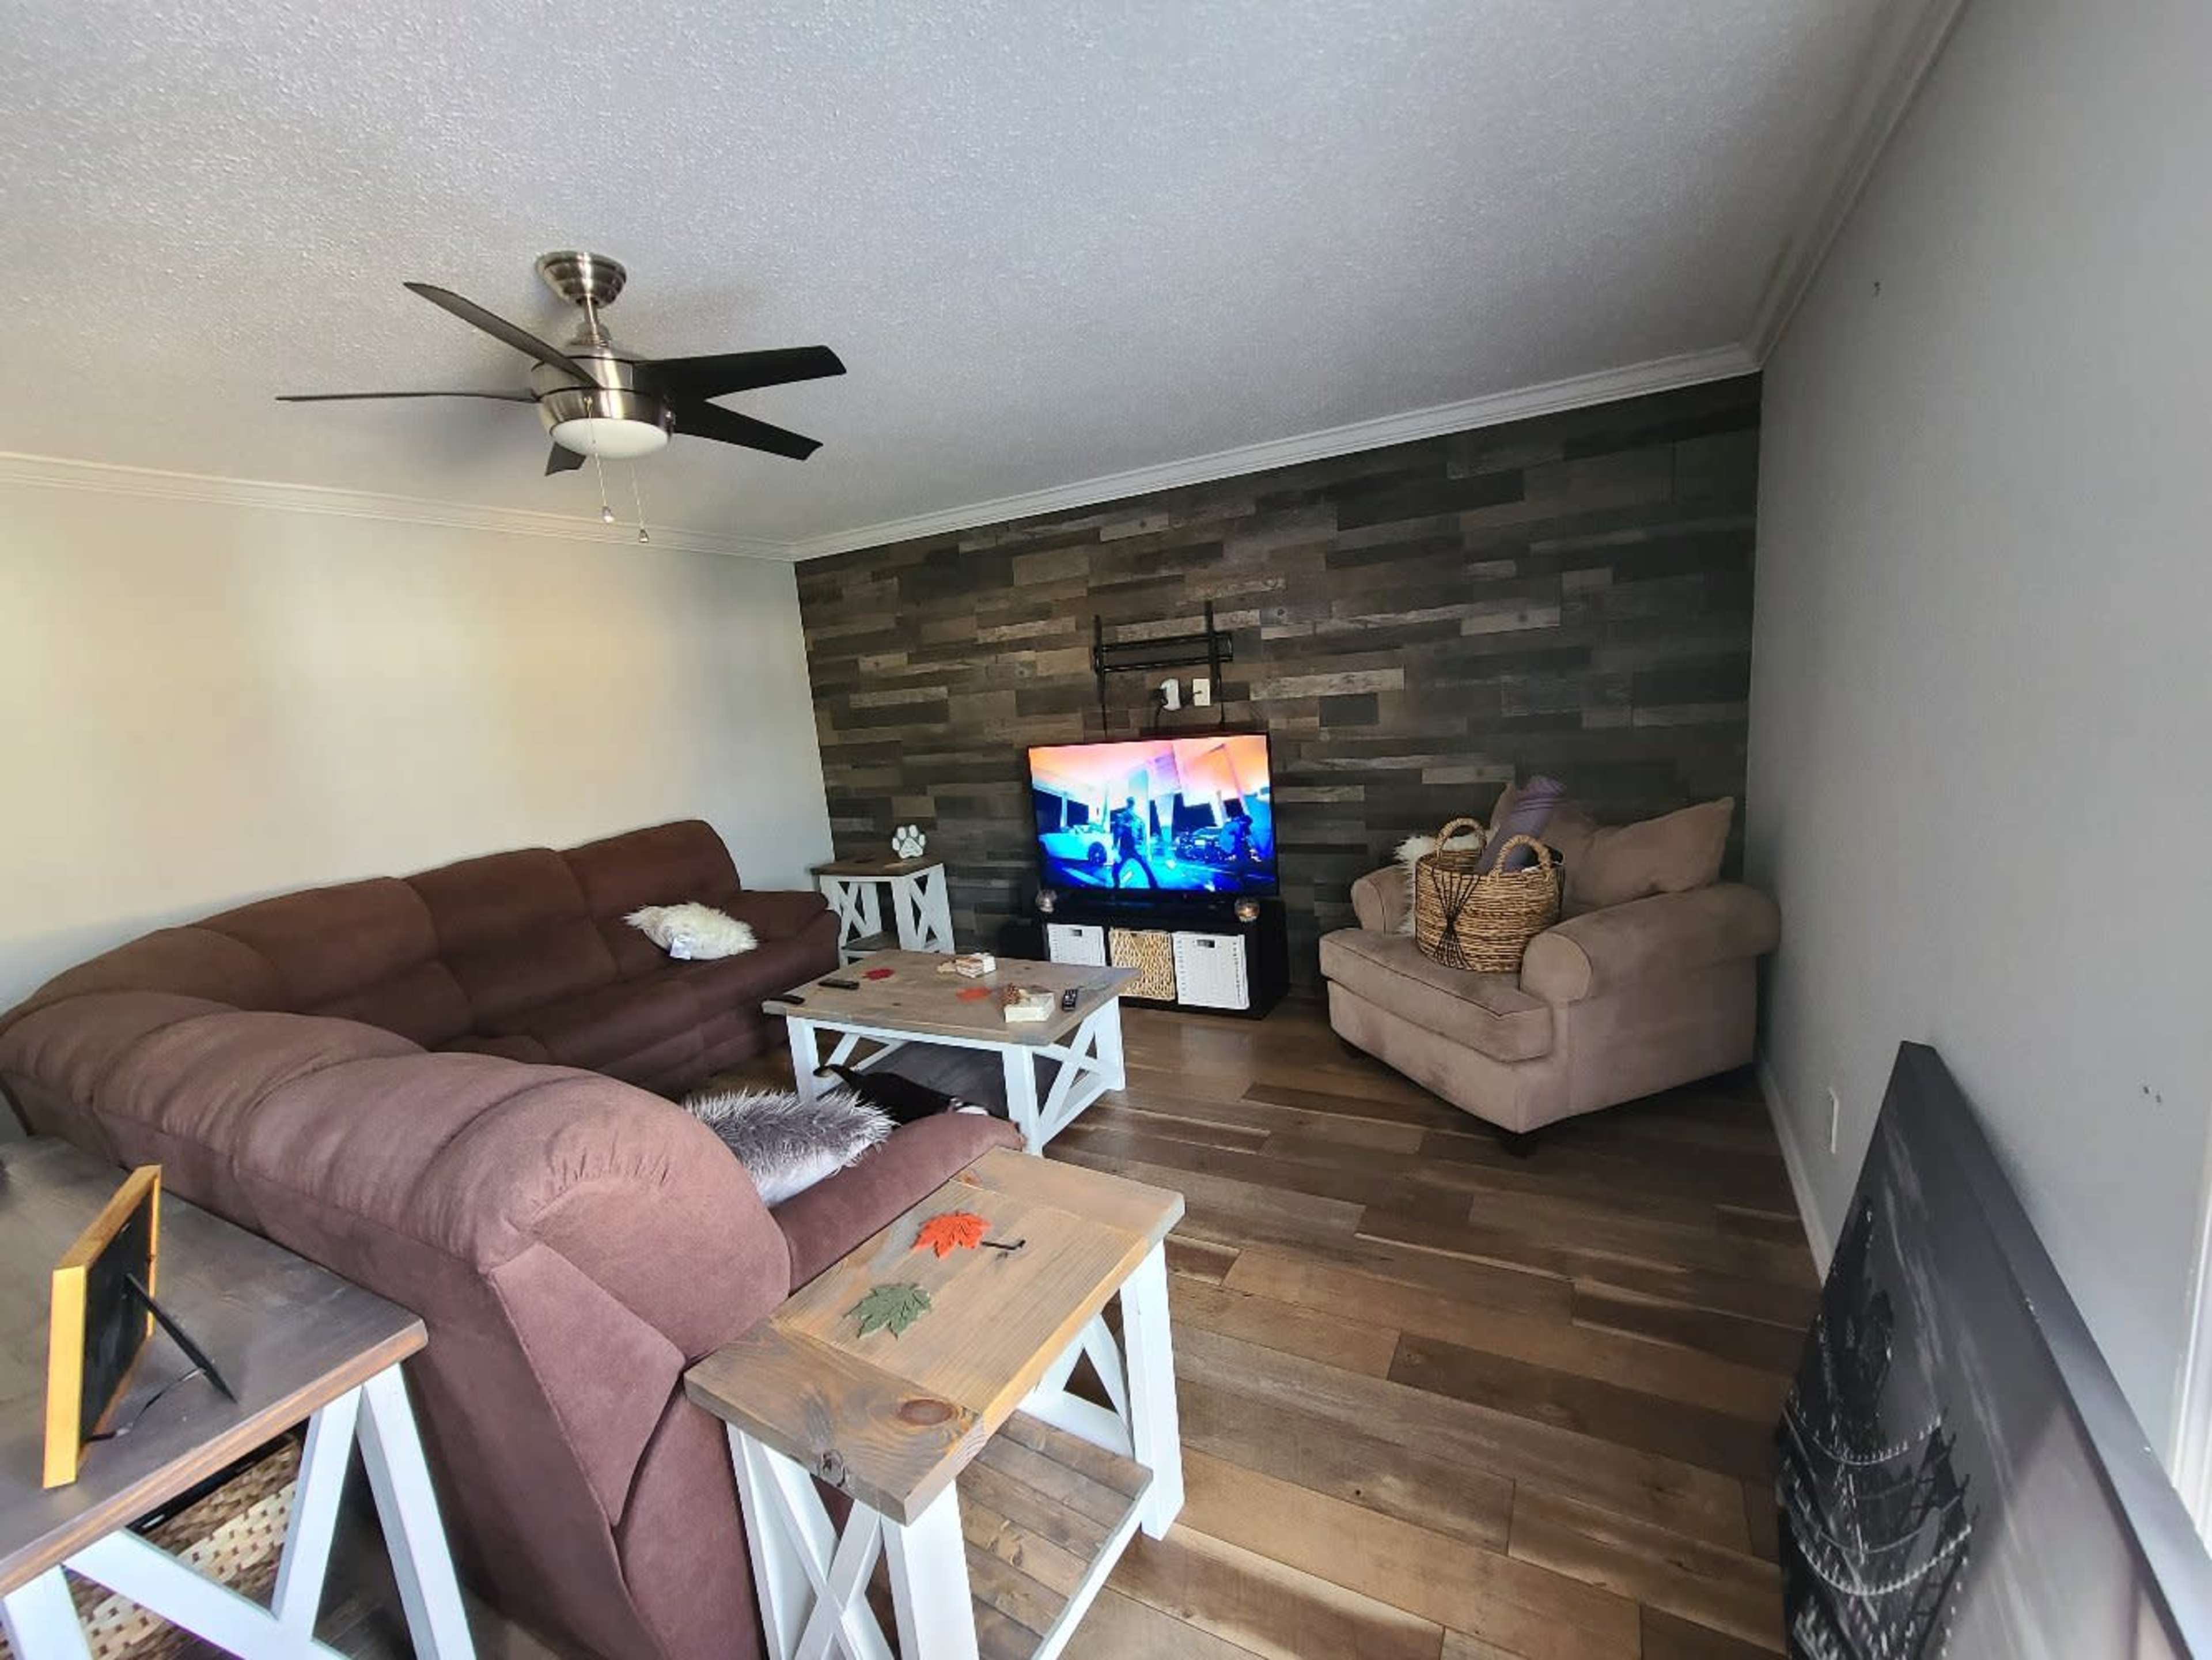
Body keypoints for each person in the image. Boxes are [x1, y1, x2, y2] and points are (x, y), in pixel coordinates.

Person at [1109, 796, 1158, 888]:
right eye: (1130, 803)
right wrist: (1115, 848)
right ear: (1130, 805)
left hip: (1133, 850)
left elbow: (1143, 836)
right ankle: (1117, 885)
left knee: (1147, 870)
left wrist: (1145, 850)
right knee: (1116, 871)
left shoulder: (1134, 819)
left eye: (1131, 803)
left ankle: (1154, 887)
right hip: (1129, 850)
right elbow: (1117, 833)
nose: (1130, 806)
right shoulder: (1127, 818)